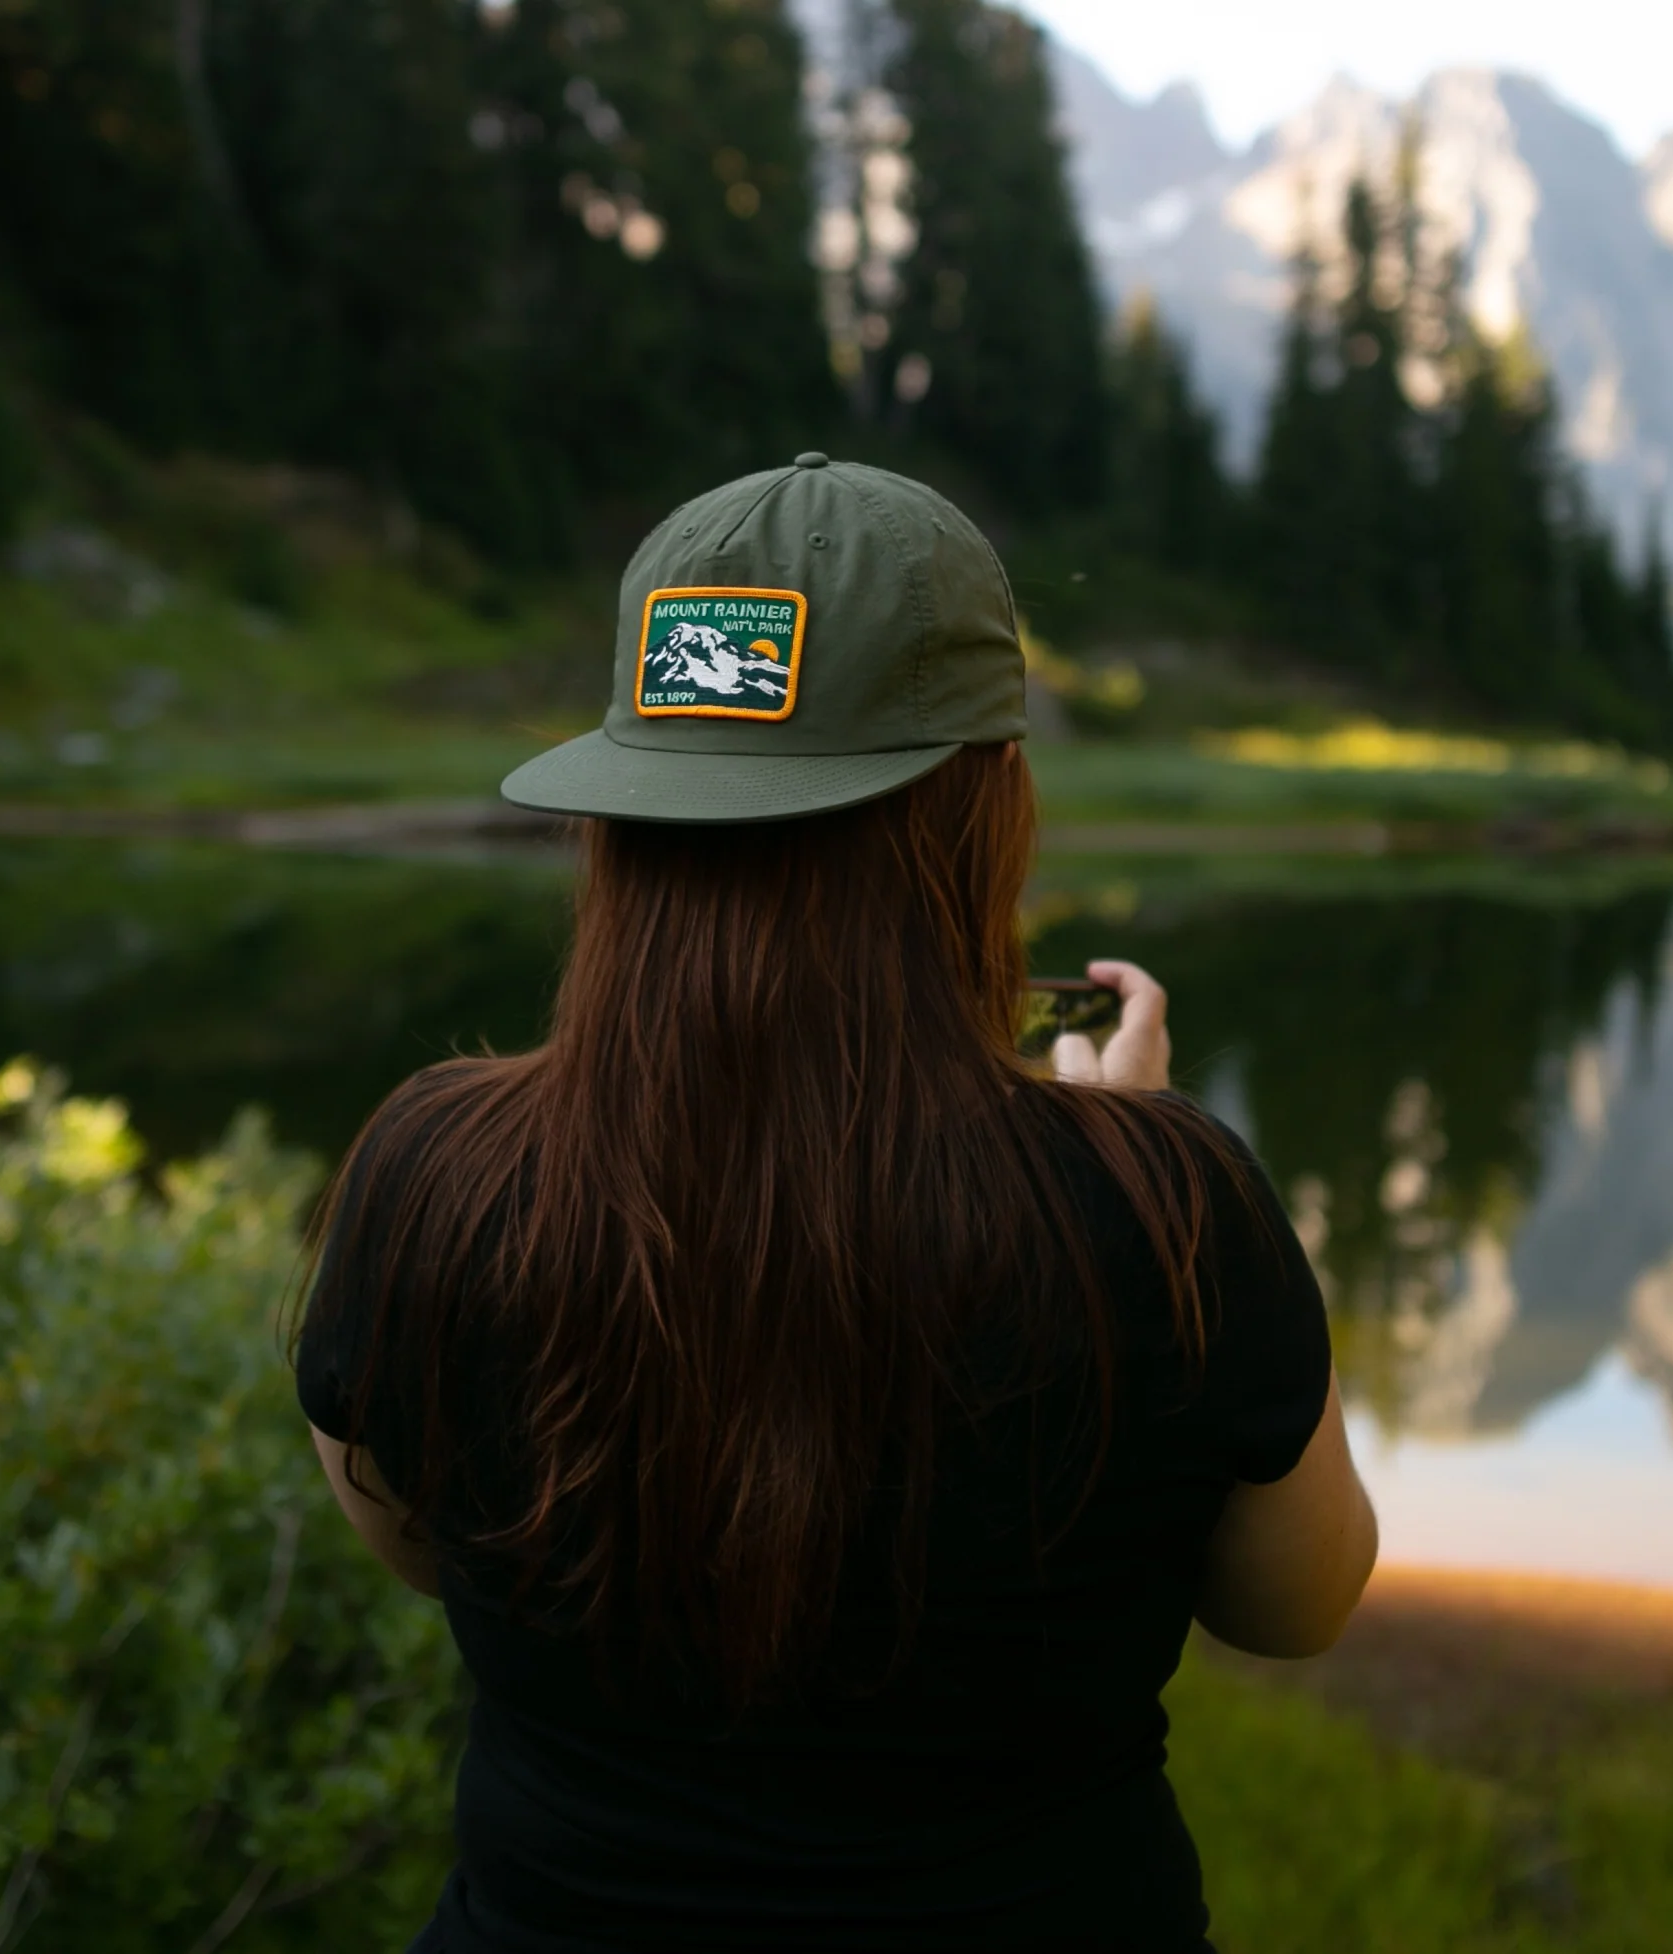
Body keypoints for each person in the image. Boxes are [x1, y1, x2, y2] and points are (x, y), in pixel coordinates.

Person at [295, 454, 1378, 1953]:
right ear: (985, 803)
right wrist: (1127, 1159)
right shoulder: (1172, 1207)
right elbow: (1297, 1604)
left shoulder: (434, 1170)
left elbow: (415, 1538)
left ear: (625, 813)